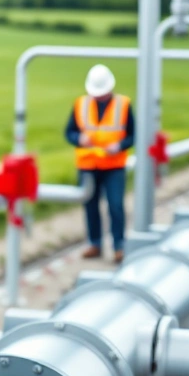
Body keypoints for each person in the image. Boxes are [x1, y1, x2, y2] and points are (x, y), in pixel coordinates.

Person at [65, 64, 135, 263]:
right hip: (88, 165)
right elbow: (69, 132)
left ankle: (119, 246)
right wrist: (79, 139)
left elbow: (132, 135)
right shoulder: (81, 104)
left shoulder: (123, 105)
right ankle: (94, 244)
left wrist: (119, 145)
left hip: (114, 165)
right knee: (90, 205)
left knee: (115, 205)